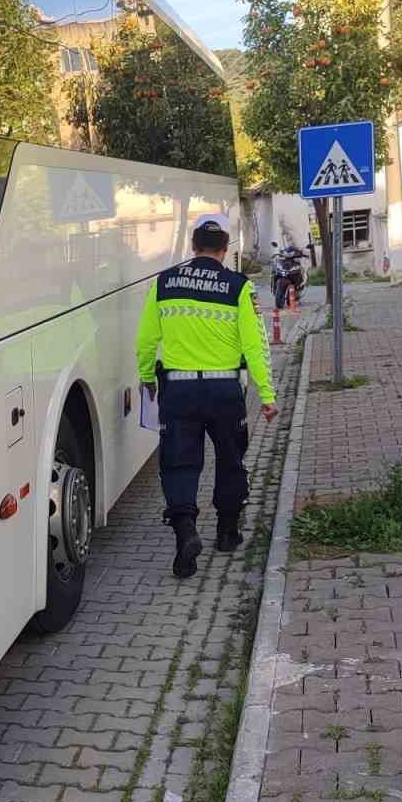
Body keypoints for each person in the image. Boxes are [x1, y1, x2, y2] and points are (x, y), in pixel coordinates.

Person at [137, 219, 278, 579]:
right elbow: (255, 346)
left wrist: (146, 377)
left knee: (179, 464)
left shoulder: (164, 282)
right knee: (231, 460)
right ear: (225, 249)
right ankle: (228, 534)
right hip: (224, 391)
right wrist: (267, 394)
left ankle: (185, 533)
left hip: (178, 391)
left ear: (193, 245)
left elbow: (146, 340)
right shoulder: (239, 287)